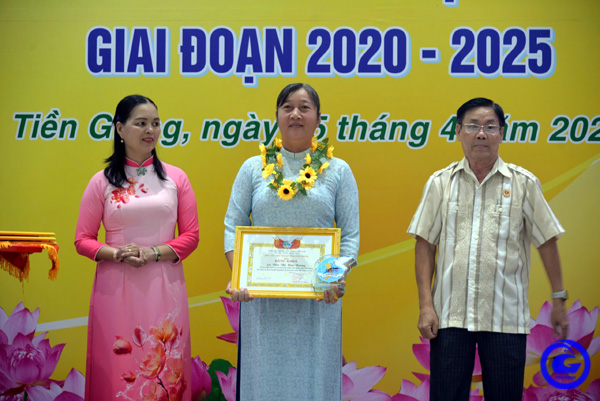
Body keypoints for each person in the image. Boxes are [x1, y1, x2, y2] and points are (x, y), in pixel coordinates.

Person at [407, 97, 569, 401]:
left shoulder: (523, 183)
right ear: (458, 132)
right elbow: (425, 245)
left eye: (490, 127)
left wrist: (559, 298)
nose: (481, 134)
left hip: (505, 318)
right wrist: (426, 306)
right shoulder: (440, 183)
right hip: (450, 317)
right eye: (472, 126)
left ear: (501, 134)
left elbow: (547, 241)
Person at [223, 83, 360, 400]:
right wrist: (241, 275)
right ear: (277, 116)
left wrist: (332, 278)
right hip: (262, 303)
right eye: (287, 107)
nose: (295, 114)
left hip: (318, 300)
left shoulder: (338, 170)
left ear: (319, 118)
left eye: (304, 107)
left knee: (314, 382)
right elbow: (233, 226)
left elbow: (350, 236)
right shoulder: (252, 168)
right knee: (263, 381)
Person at [75, 95, 199, 400]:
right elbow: (83, 240)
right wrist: (117, 254)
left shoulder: (176, 178)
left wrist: (154, 253)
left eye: (155, 123)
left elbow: (191, 236)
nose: (150, 130)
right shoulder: (101, 181)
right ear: (120, 128)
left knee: (164, 369)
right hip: (115, 288)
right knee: (119, 365)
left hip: (164, 286)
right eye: (141, 123)